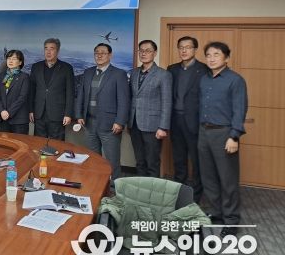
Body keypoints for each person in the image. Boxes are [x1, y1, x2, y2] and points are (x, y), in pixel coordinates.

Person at [199, 41, 248, 236]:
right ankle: (217, 212)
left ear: (226, 58)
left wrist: (234, 136)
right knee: (208, 177)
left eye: (216, 54)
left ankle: (231, 220)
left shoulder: (235, 80)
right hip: (203, 132)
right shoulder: (204, 79)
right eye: (208, 55)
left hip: (224, 134)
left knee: (228, 179)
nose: (211, 58)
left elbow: (239, 110)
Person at [75, 43, 129, 180]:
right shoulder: (88, 72)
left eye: (103, 53)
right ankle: (96, 183)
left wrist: (120, 121)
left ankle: (113, 186)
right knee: (93, 157)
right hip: (89, 123)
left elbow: (124, 100)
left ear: (110, 55)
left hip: (110, 124)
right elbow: (81, 94)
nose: (99, 55)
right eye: (97, 53)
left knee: (112, 160)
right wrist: (79, 114)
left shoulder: (119, 74)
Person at [167, 36, 208, 202]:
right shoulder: (172, 69)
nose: (184, 50)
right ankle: (179, 195)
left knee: (197, 162)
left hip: (195, 123)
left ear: (195, 49)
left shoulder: (204, 69)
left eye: (188, 47)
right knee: (179, 160)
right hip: (175, 121)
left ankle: (196, 197)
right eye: (181, 47)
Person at [128, 39, 172, 177]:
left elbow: (167, 102)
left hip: (153, 125)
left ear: (155, 53)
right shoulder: (134, 73)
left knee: (152, 162)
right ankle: (141, 187)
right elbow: (131, 97)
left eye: (148, 50)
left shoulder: (163, 75)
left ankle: (153, 189)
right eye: (141, 50)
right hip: (134, 124)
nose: (143, 53)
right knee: (139, 161)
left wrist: (163, 127)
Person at [28, 38, 74, 141]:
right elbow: (32, 91)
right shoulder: (36, 67)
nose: (48, 52)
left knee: (57, 145)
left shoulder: (67, 68)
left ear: (58, 51)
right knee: (38, 143)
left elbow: (70, 93)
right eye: (46, 48)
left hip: (57, 114)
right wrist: (31, 110)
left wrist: (68, 114)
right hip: (39, 113)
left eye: (52, 49)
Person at [0, 50, 30, 134]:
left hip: (18, 120)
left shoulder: (24, 77)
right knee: (3, 142)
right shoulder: (1, 76)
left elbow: (22, 98)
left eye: (14, 59)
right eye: (9, 58)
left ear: (20, 62)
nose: (10, 61)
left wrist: (9, 113)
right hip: (2, 118)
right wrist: (2, 111)